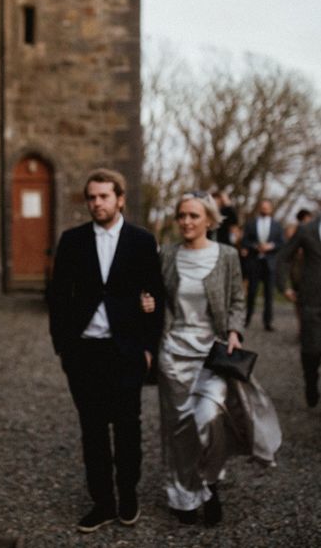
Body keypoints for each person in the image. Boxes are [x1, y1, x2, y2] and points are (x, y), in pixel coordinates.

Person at [141, 192, 281, 526]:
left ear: (209, 219)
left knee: (208, 419)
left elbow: (237, 300)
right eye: (182, 216)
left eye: (193, 216)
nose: (186, 222)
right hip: (173, 353)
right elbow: (155, 294)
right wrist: (147, 302)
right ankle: (184, 496)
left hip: (213, 354)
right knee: (178, 430)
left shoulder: (227, 256)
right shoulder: (168, 255)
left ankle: (210, 482)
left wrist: (234, 331)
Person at [48, 168, 164, 533]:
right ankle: (102, 501)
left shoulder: (142, 241)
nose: (97, 203)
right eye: (92, 197)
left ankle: (128, 495)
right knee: (93, 429)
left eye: (104, 196)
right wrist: (63, 347)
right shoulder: (72, 240)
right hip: (84, 352)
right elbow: (56, 297)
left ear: (120, 199)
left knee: (128, 427)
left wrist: (148, 348)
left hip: (126, 350)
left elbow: (156, 296)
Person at [276, 210, 321, 407]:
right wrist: (283, 286)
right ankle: (310, 383)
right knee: (311, 350)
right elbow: (284, 257)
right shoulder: (306, 230)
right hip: (311, 300)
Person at [241, 199, 284, 330]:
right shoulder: (251, 224)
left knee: (269, 294)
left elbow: (281, 243)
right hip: (255, 263)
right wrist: (255, 246)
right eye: (263, 207)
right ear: (260, 208)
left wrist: (270, 246)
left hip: (270, 264)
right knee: (252, 293)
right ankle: (246, 319)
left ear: (271, 209)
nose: (265, 209)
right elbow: (244, 241)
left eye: (267, 207)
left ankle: (267, 322)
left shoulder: (277, 225)